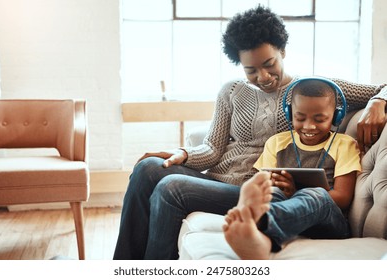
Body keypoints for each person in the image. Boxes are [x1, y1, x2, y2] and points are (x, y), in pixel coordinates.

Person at [113, 5, 387, 260]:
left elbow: (382, 87)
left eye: (269, 64)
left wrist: (378, 101)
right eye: (251, 70)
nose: (263, 76)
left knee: (171, 188)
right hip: (219, 181)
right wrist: (183, 154)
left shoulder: (312, 91)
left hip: (254, 188)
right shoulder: (232, 91)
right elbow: (212, 149)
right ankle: (124, 267)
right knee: (149, 167)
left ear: (283, 52)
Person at [223, 77, 362, 259]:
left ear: (336, 116)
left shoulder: (344, 144)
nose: (309, 126)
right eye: (300, 117)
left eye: (320, 119)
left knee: (316, 194)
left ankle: (260, 220)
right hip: (290, 220)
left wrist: (296, 191)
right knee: (272, 192)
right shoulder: (277, 143)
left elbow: (343, 198)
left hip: (329, 224)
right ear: (290, 114)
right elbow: (266, 183)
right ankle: (261, 239)